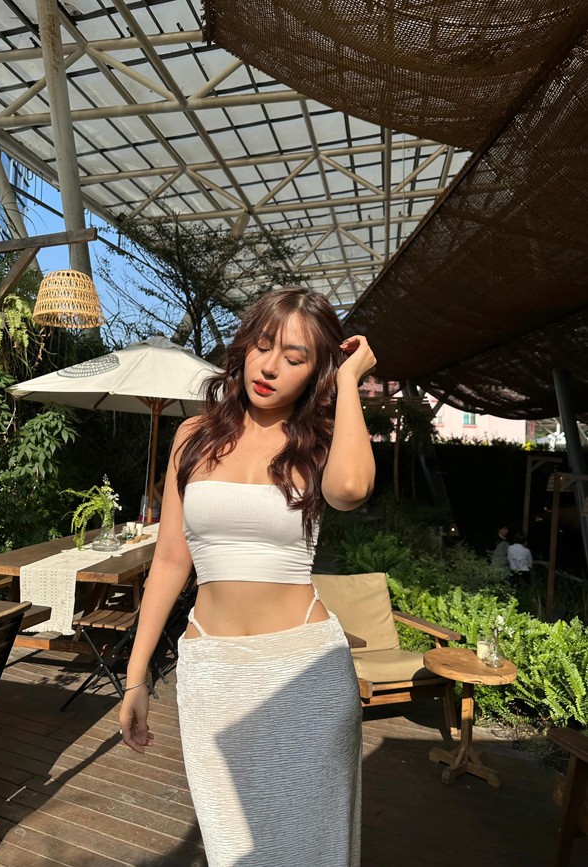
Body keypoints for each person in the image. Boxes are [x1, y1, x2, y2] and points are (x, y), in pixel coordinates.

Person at [119, 286, 376, 867]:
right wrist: (136, 678)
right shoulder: (193, 437)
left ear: (317, 371)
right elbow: (170, 561)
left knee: (314, 852)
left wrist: (350, 379)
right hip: (211, 674)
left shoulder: (321, 441)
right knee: (234, 851)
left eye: (295, 357)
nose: (270, 367)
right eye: (263, 346)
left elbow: (351, 489)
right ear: (243, 348)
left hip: (305, 673)